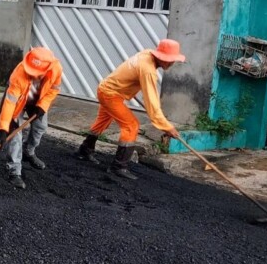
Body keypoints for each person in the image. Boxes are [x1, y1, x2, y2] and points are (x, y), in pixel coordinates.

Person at [75, 39, 186, 180]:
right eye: (170, 59)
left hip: (107, 89)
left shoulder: (146, 54)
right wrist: (167, 127)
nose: (172, 63)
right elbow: (152, 103)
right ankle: (118, 166)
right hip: (110, 94)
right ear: (160, 57)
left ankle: (84, 150)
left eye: (173, 60)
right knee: (131, 125)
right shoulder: (148, 70)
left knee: (102, 122)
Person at [0, 47, 63, 190]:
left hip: (38, 101)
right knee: (15, 135)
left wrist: (43, 105)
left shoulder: (56, 68)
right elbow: (10, 102)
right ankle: (14, 171)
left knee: (40, 127)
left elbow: (54, 89)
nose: (33, 75)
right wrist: (4, 129)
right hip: (19, 101)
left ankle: (28, 151)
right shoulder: (19, 74)